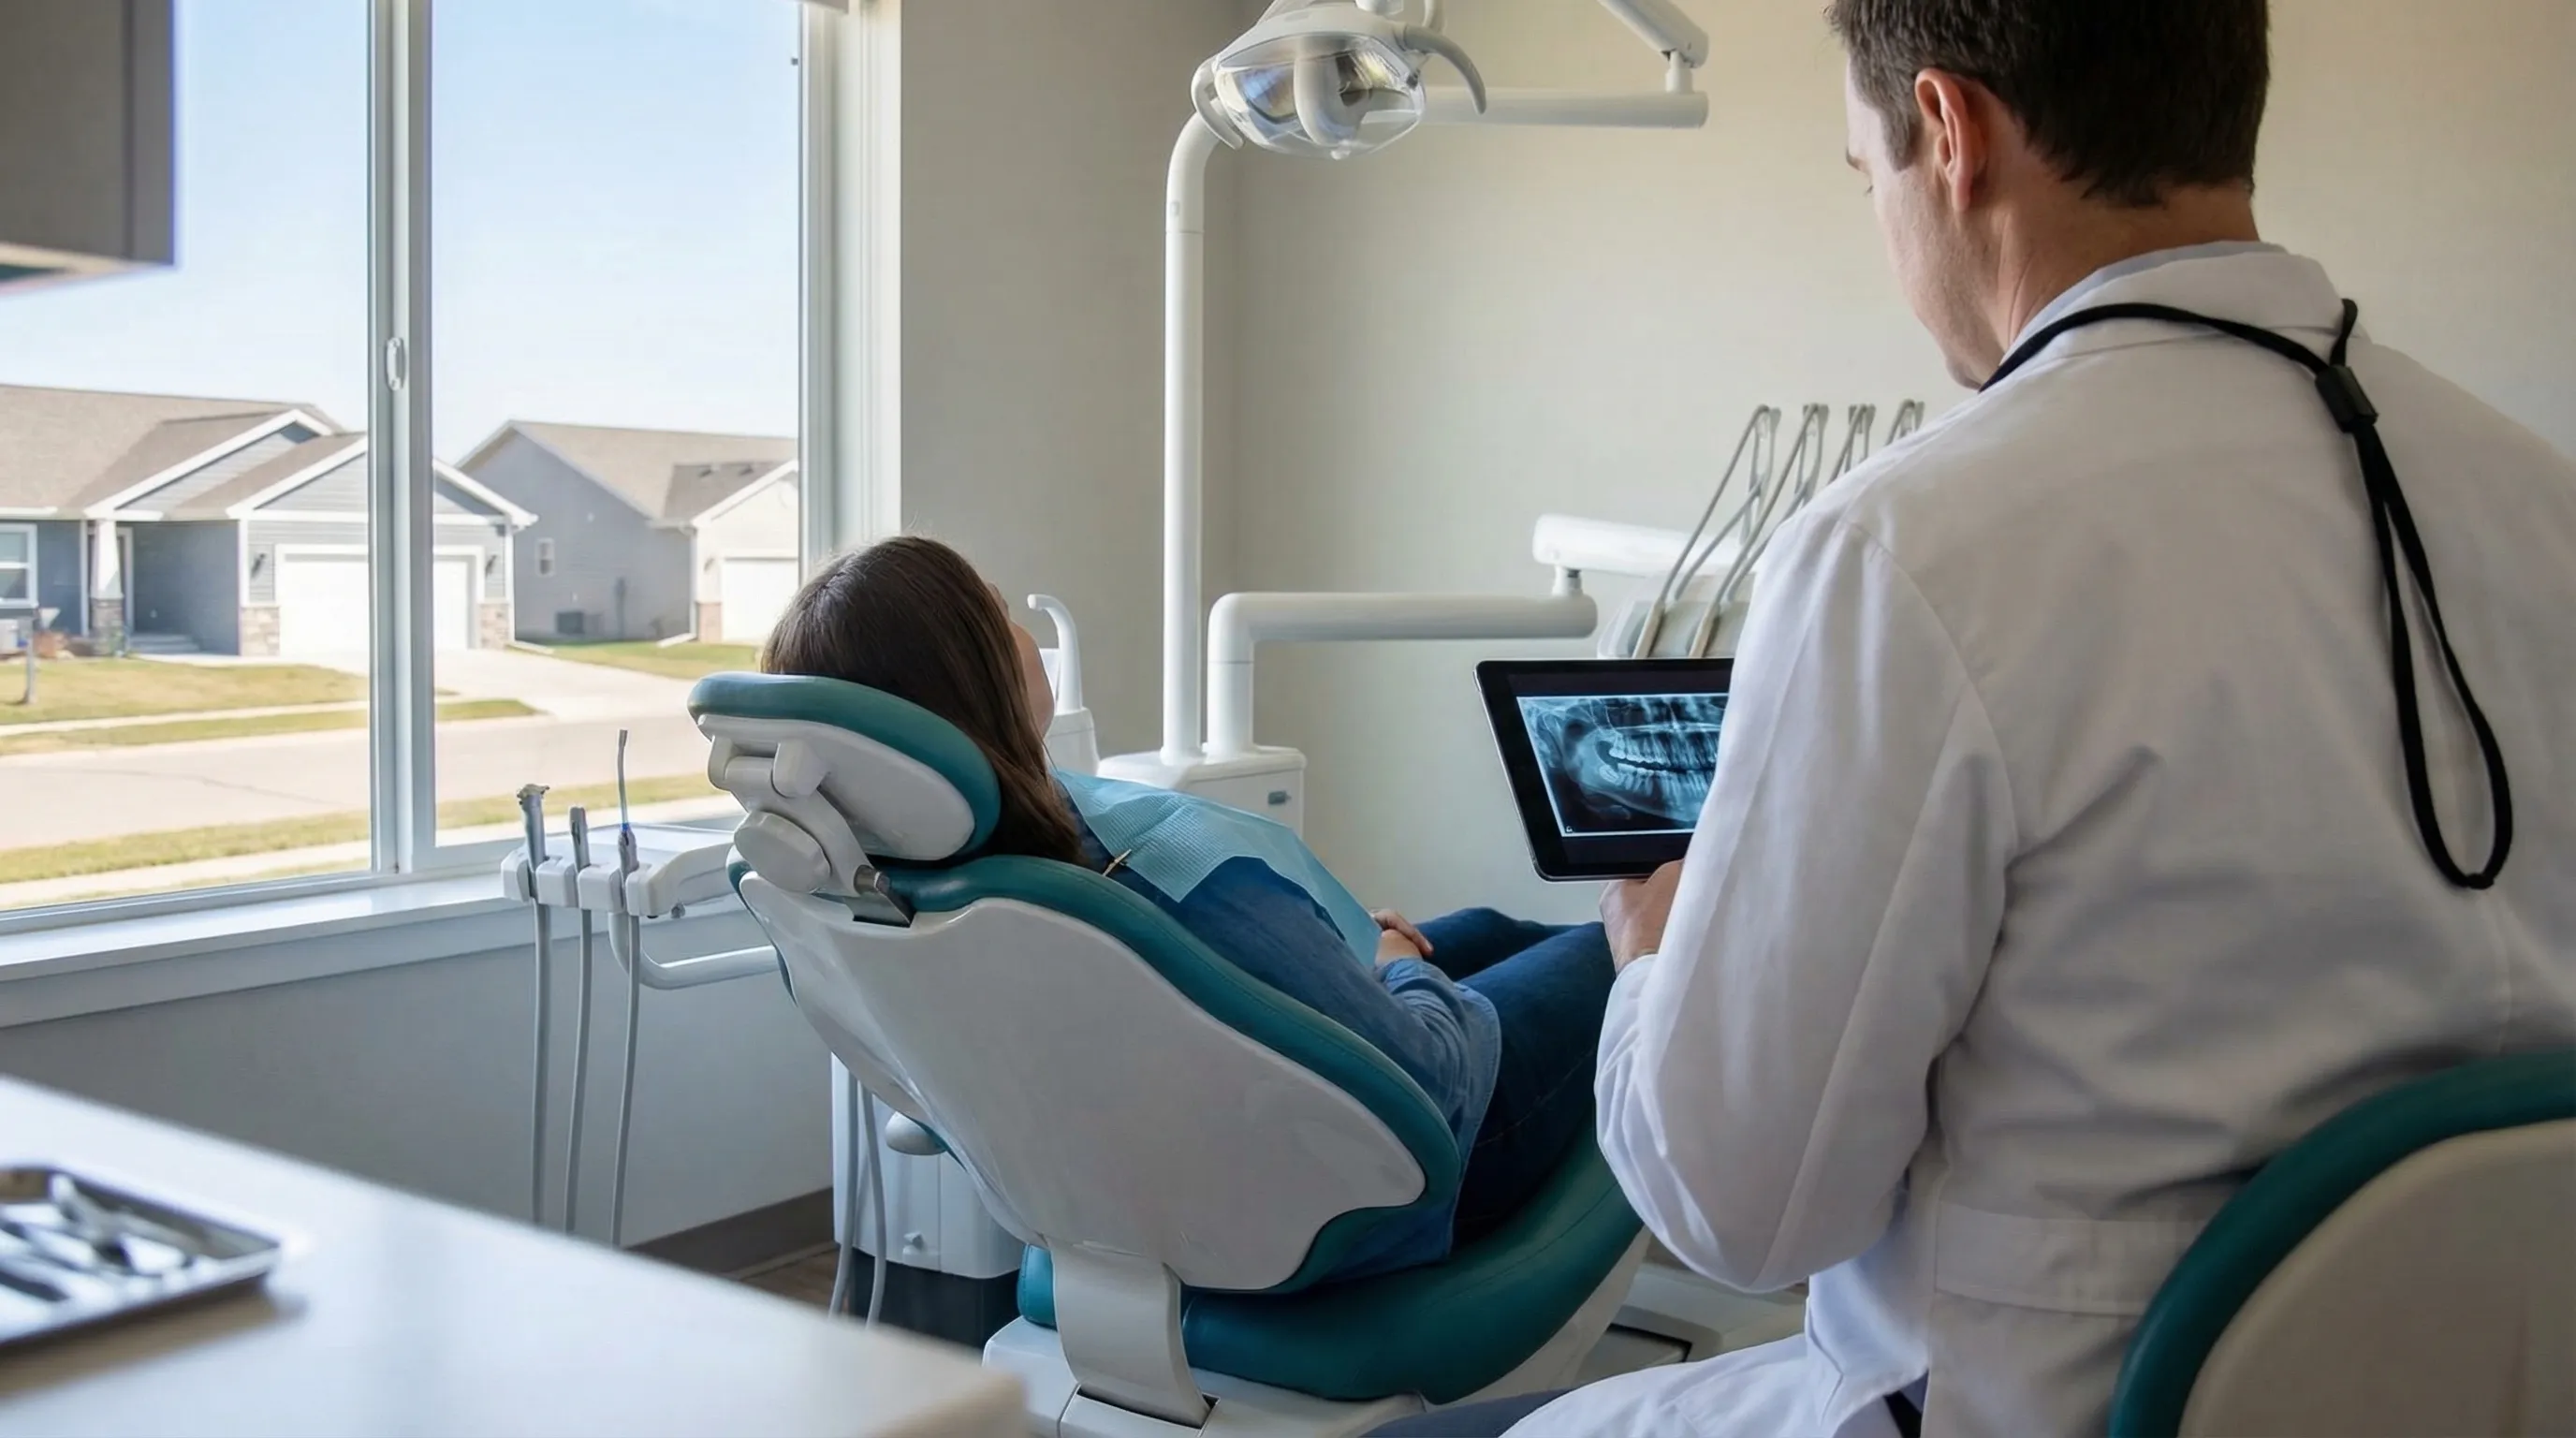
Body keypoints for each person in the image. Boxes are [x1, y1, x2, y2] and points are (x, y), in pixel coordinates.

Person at [1387, 0, 2576, 1435]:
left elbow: (1737, 1214)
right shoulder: (2540, 505)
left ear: (1949, 135)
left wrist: (1651, 964)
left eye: (1861, 176)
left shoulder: (1907, 550)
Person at [762, 534, 1618, 1282]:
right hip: (1395, 1185)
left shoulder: (914, 892)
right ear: (974, 676)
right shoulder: (1153, 871)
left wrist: (1392, 966)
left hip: (1166, 1188)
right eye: (995, 609)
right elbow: (1434, 1082)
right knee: (1626, 937)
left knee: (1487, 934)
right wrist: (1399, 973)